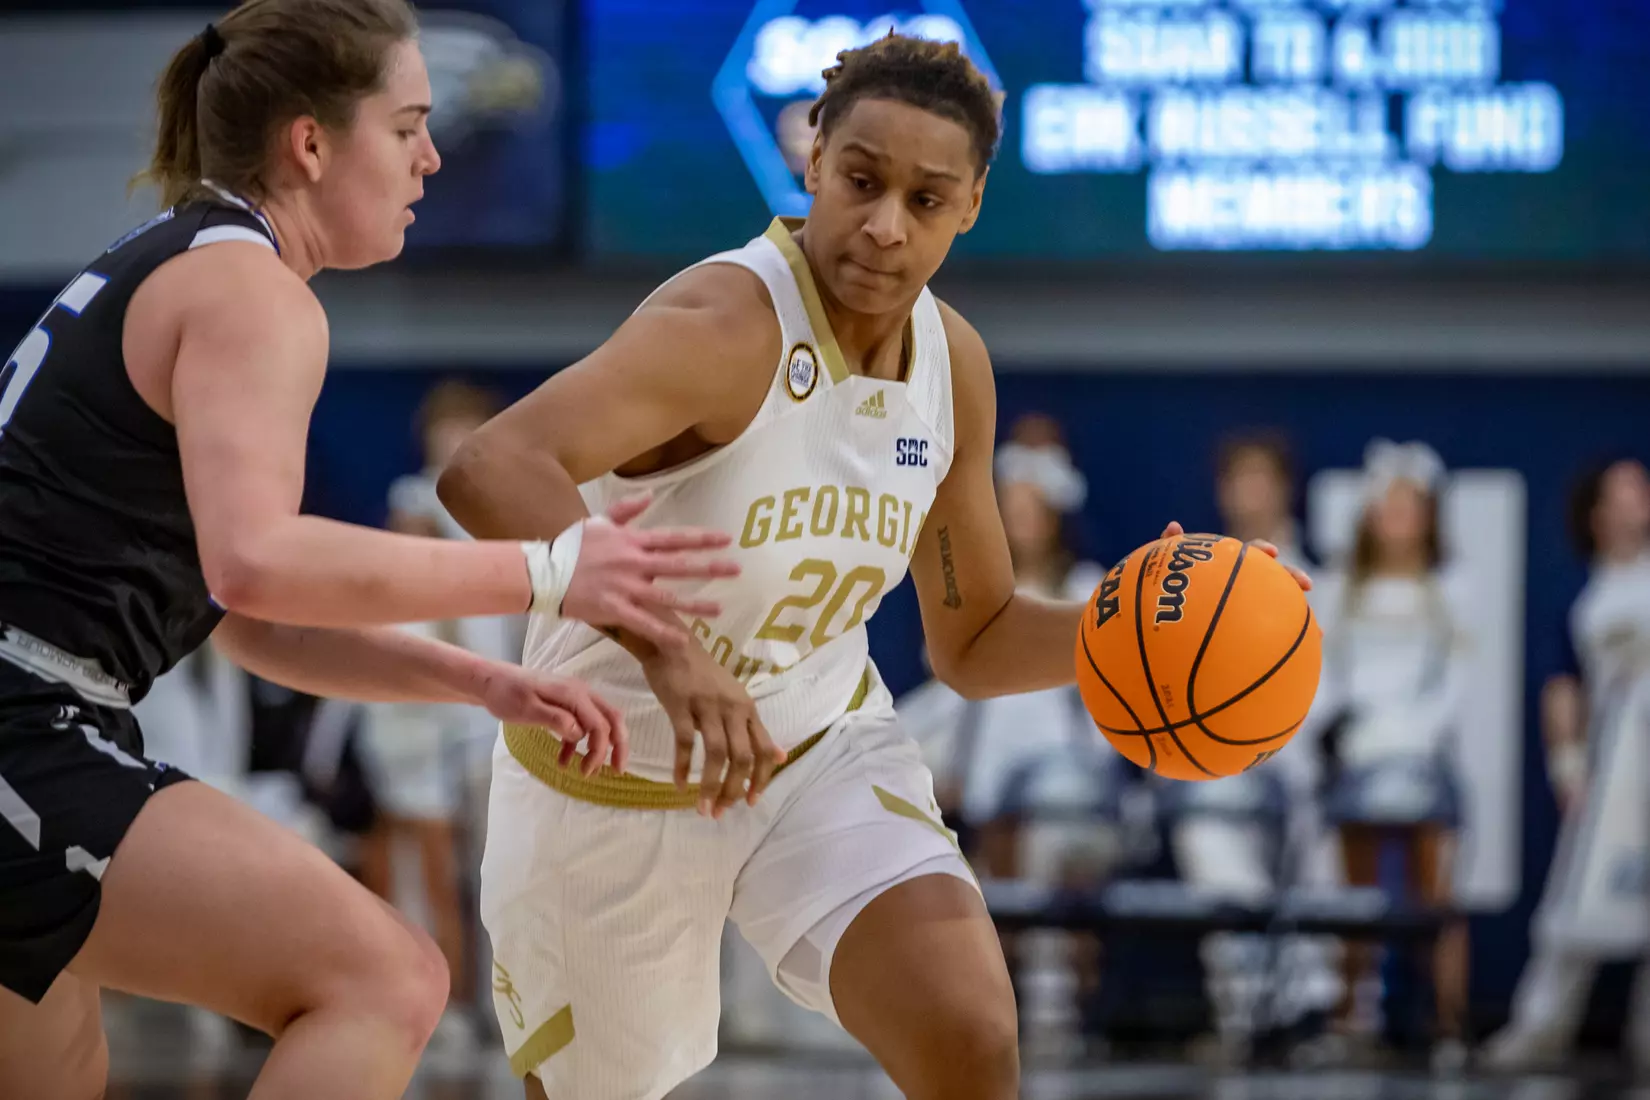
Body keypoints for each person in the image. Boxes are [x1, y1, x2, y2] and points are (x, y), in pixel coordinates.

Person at [439, 34, 1309, 1100]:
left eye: (927, 198)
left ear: (972, 205)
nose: (886, 224)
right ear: (813, 162)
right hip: (611, 765)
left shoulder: (956, 365)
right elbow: (491, 467)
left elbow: (977, 637)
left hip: (816, 746)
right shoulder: (723, 327)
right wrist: (666, 646)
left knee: (970, 1033)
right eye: (861, 180)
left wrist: (1132, 627)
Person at [0, 4, 735, 1097]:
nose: (432, 158)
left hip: (40, 710)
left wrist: (479, 677)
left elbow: (252, 619)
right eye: (407, 128)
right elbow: (259, 562)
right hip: (24, 720)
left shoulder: (186, 260)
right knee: (382, 981)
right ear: (311, 143)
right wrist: (546, 567)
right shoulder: (250, 290)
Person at [1482, 457, 1650, 1071]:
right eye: (1626, 492)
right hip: (1615, 768)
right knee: (1575, 900)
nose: (1640, 501)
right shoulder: (1585, 594)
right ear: (1597, 513)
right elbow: (1563, 688)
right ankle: (1540, 1029)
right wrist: (1567, 764)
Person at [1311, 440, 1471, 1069]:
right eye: (1389, 506)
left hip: (1423, 757)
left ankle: (1449, 1025)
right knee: (1357, 899)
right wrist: (1346, 731)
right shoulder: (1339, 588)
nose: (1399, 519)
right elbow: (1326, 670)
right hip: (1358, 757)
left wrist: (1417, 734)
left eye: (1412, 507)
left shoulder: (1452, 588)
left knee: (1437, 898)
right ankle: (1353, 1018)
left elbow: (1455, 679)